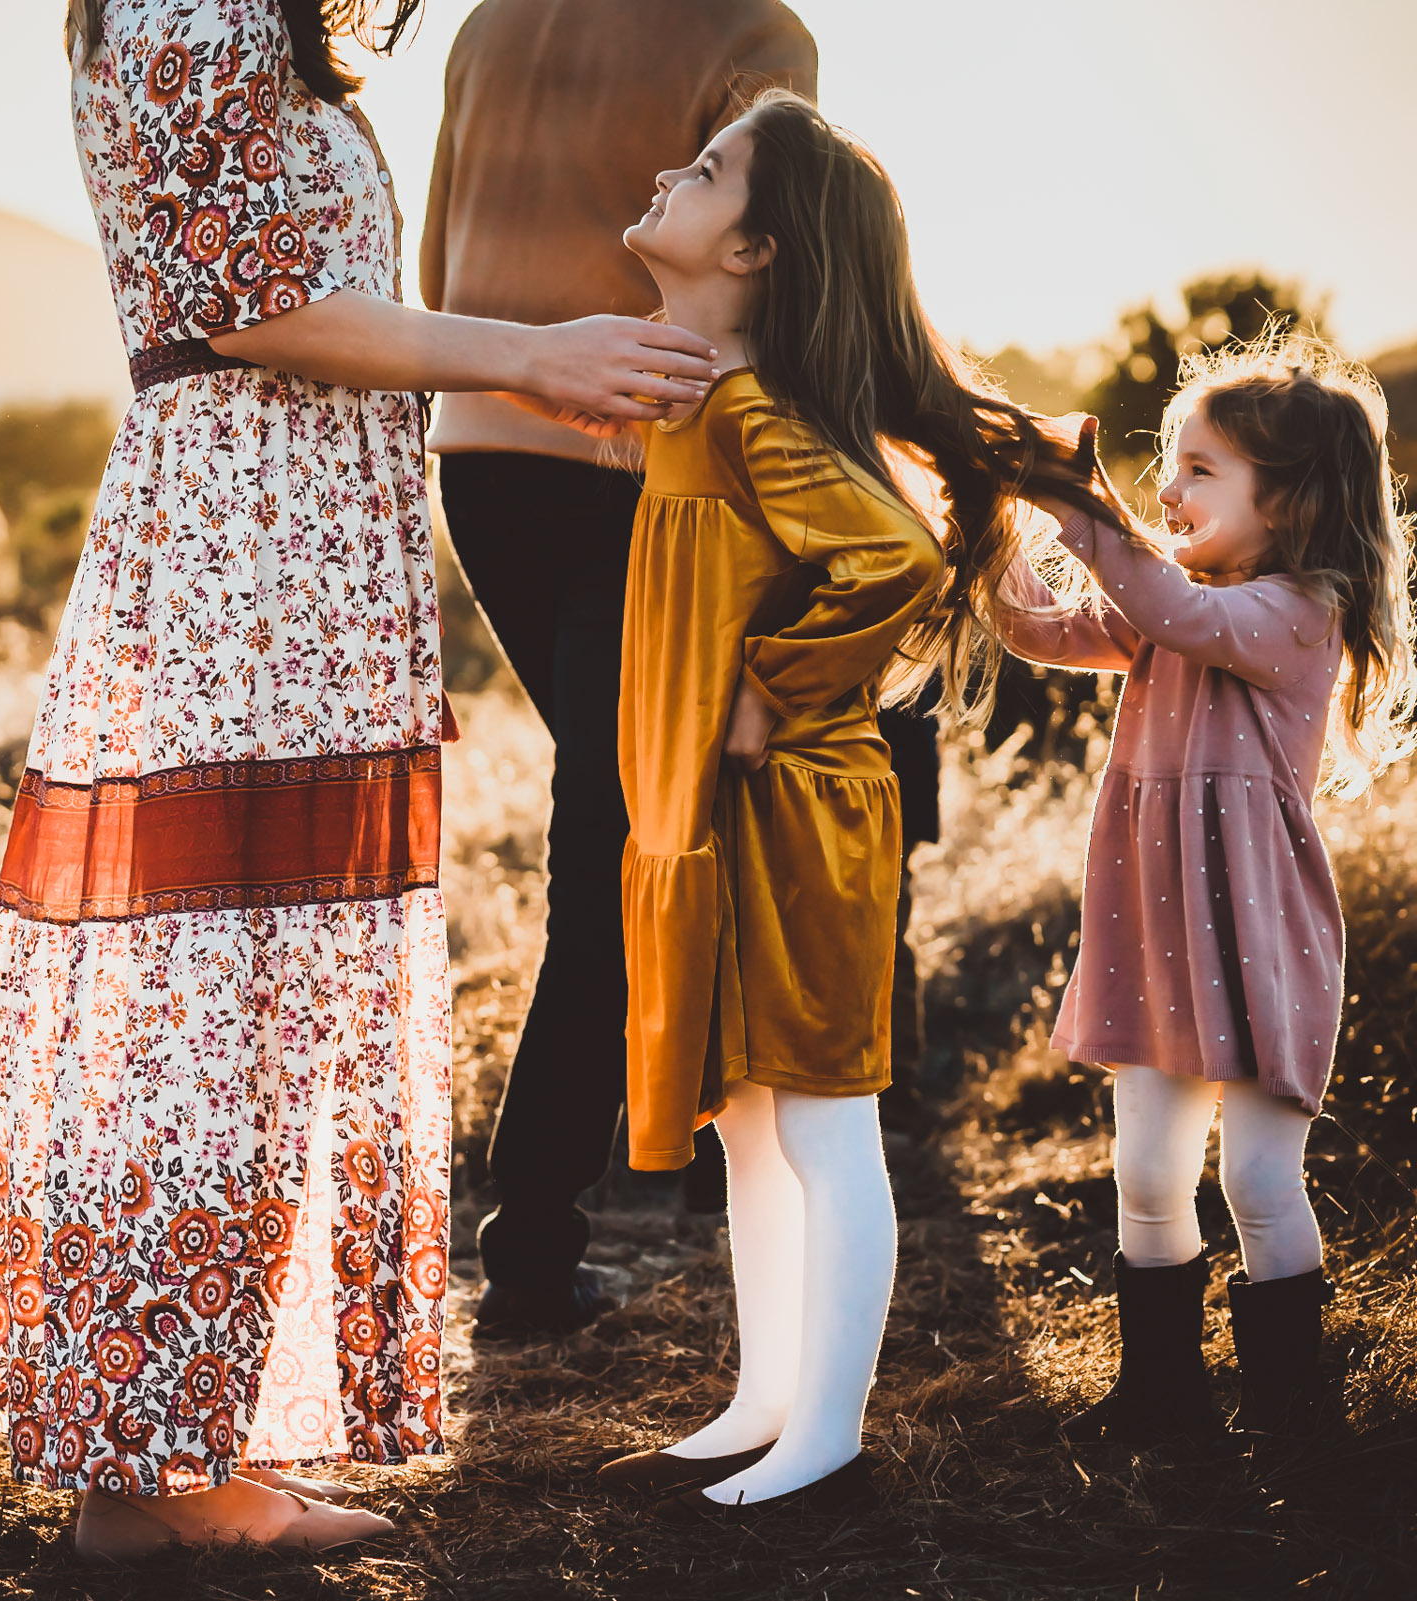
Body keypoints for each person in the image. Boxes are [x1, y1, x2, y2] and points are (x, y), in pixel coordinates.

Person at [0, 0, 718, 1560]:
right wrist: (532, 357)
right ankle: (152, 1475)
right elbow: (254, 305)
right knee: (212, 1005)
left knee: (251, 1007)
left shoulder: (243, 26)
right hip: (249, 556)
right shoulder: (187, 8)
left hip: (300, 552)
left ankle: (182, 1449)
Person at [589, 90, 1115, 1513]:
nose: (663, 167)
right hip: (725, 810)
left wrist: (774, 681)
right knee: (749, 1121)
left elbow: (886, 553)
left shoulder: (752, 404)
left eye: (704, 169)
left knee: (821, 1122)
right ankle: (764, 1401)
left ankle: (828, 1434)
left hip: (797, 808)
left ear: (757, 249)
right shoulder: (704, 396)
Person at [418, 0, 818, 1310]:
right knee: (628, 828)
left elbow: (433, 258)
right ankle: (538, 1238)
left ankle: (699, 1154)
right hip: (649, 455)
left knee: (640, 803)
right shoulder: (751, 27)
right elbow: (782, 268)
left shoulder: (487, 22)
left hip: (479, 453)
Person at [993, 335, 1413, 1448]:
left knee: (1261, 1182)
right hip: (1159, 938)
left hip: (1261, 941)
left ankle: (1290, 1408)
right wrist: (993, 527)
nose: (1167, 489)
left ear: (1292, 502)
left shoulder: (1295, 610)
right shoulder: (1172, 601)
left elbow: (1175, 609)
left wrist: (1077, 503)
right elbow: (1035, 625)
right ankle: (1163, 1395)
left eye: (1199, 469)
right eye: (1166, 465)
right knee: (1144, 1171)